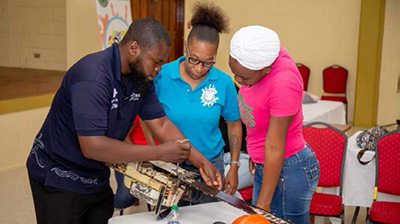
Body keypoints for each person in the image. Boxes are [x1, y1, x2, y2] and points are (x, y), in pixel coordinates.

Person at [26, 18, 222, 224]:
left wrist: (202, 162)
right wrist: (159, 152)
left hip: (96, 175)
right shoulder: (93, 77)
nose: (159, 69)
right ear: (134, 48)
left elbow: (161, 124)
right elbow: (92, 146)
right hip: (59, 177)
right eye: (156, 61)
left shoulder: (141, 78)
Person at [229, 25, 320, 224]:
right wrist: (255, 151)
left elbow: (274, 145)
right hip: (269, 163)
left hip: (289, 169)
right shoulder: (262, 51)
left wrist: (263, 204)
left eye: (244, 78)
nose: (238, 80)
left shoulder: (283, 84)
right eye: (234, 72)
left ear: (267, 68)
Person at [154, 1, 242, 204]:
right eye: (193, 59)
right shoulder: (162, 75)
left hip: (212, 165)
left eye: (207, 62)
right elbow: (148, 118)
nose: (199, 68)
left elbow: (234, 124)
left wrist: (234, 166)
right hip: (171, 165)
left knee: (208, 216)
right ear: (185, 47)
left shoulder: (223, 82)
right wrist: (155, 153)